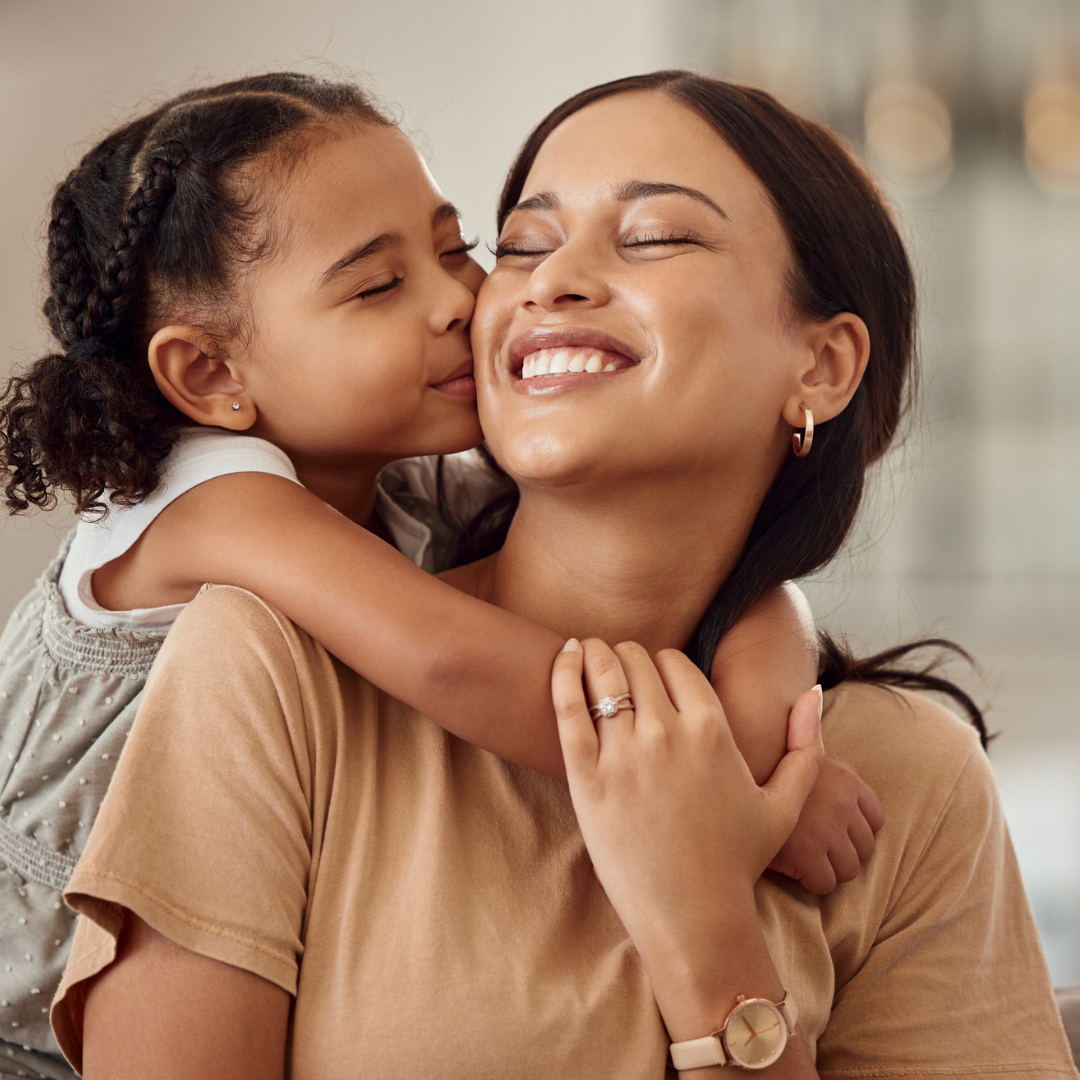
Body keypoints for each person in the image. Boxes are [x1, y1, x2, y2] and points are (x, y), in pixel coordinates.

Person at [49, 70, 1075, 1079]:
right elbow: (450, 660)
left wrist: (708, 937)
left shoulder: (907, 777)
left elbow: (761, 594)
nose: (541, 281)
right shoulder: (267, 654)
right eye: (526, 243)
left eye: (657, 235)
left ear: (822, 365)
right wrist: (720, 772)